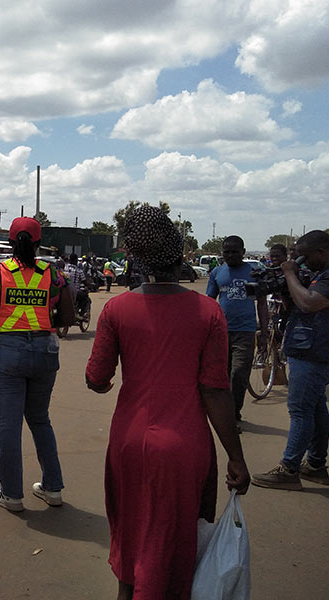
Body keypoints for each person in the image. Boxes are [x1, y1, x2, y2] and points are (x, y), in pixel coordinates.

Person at [85, 205, 249, 600]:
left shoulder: (116, 310)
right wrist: (237, 458)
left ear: (136, 261)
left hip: (129, 442)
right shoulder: (208, 312)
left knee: (131, 532)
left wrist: (109, 385)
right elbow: (215, 391)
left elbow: (95, 378)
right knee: (171, 544)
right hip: (184, 445)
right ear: (179, 256)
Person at [0, 217, 74, 512]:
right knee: (40, 420)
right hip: (45, 350)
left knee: (9, 424)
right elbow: (67, 318)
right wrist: (41, 323)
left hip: (7, 351)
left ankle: (11, 494)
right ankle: (53, 489)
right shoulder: (54, 275)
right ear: (40, 243)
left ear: (9, 242)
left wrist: (2, 323)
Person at [252, 230, 329, 490]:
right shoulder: (318, 274)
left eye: (305, 257)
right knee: (316, 407)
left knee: (299, 411)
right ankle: (316, 464)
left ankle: (289, 469)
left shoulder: (327, 276)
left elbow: (309, 303)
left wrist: (288, 273)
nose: (301, 263)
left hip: (313, 352)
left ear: (321, 252)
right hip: (311, 349)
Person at [206, 235, 269, 430]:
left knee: (239, 374)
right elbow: (209, 302)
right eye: (227, 252)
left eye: (235, 251)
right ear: (222, 253)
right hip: (220, 332)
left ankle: (232, 415)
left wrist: (265, 331)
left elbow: (261, 303)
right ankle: (225, 413)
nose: (231, 255)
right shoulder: (217, 273)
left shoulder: (253, 273)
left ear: (242, 252)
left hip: (245, 331)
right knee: (221, 375)